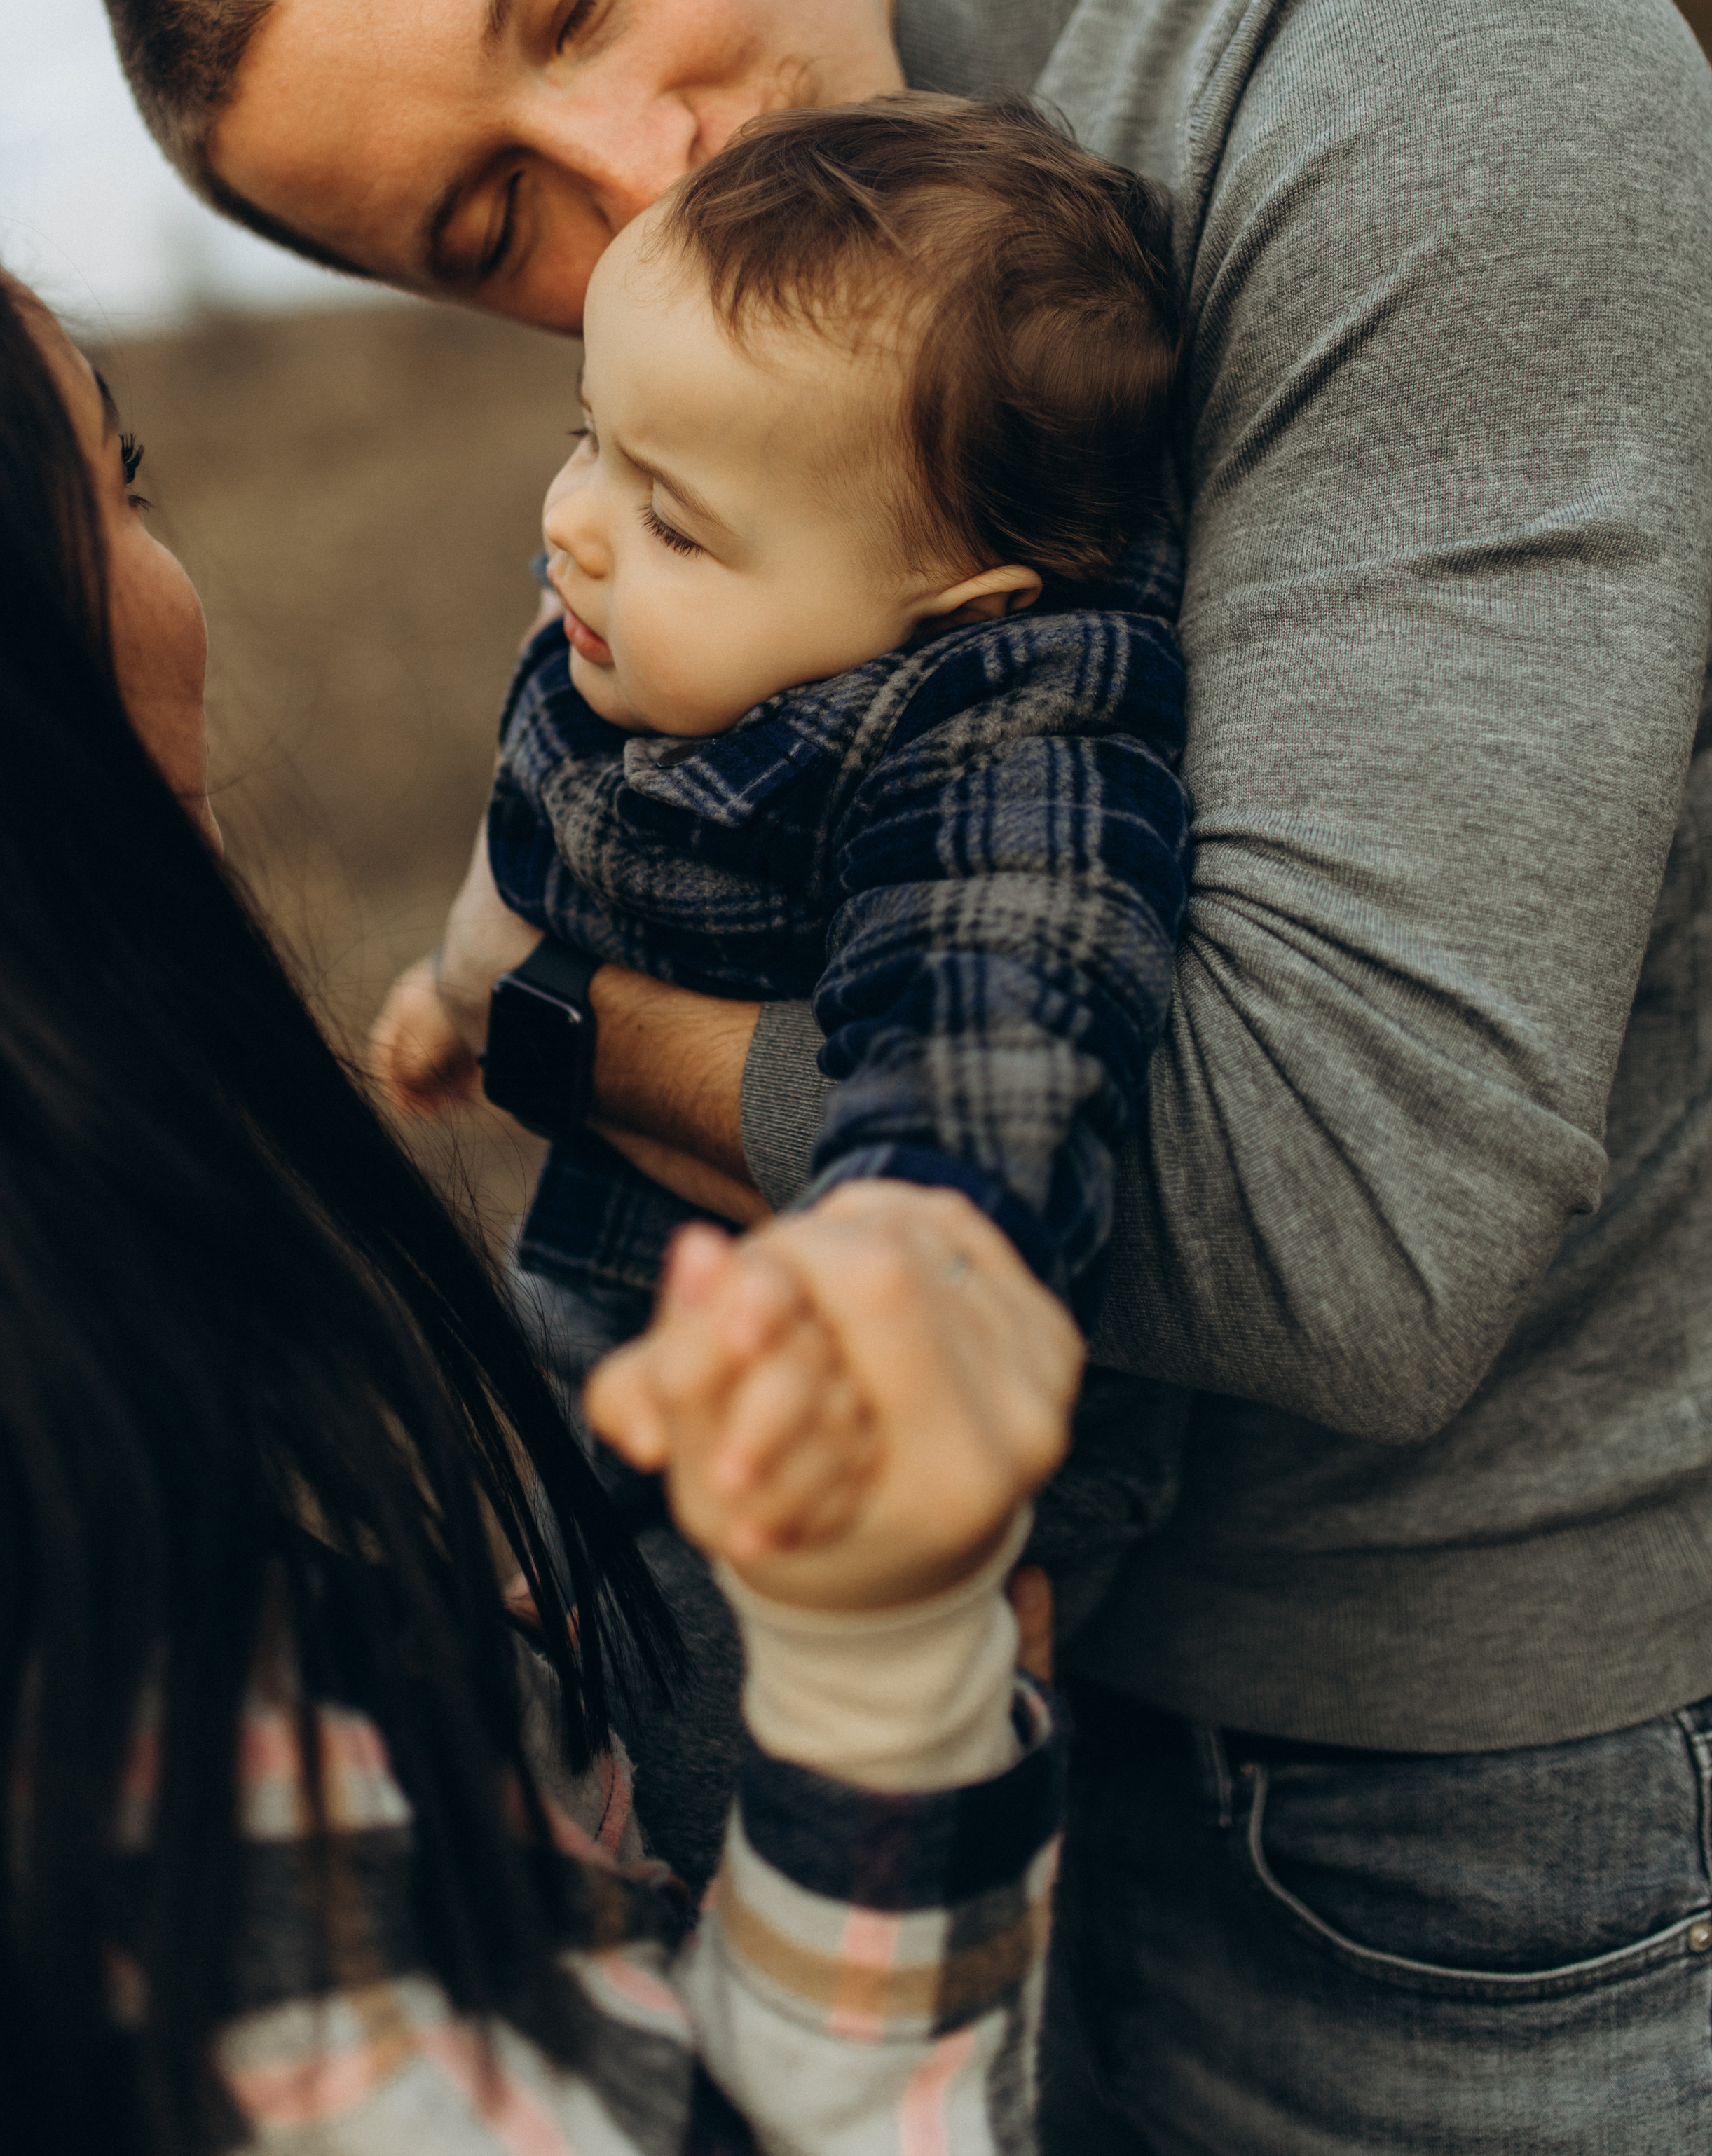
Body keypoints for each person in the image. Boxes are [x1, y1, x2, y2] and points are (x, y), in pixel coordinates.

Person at [94, 0, 1712, 2152]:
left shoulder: (1415, 75)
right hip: (869, 1745)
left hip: (1445, 1806)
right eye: (489, 225)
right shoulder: (707, 395)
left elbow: (1346, 1236)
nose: (631, 173)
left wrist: (568, 1029)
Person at [0, 261, 1079, 2152]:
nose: (567, 518)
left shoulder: (1010, 750)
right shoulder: (121, 1624)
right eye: (127, 483)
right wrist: (888, 1682)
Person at [373, 92, 1191, 1637]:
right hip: (613, 1271)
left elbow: (1003, 1000)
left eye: (672, 522)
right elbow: (534, 834)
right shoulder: (639, 633)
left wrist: (915, 1231)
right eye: (584, 439)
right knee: (523, 1524)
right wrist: (452, 980)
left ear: (958, 613)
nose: (574, 528)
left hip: (860, 1412)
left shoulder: (999, 738)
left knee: (738, 1657)